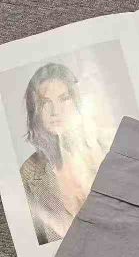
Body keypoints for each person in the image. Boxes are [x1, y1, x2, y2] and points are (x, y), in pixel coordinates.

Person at [20, 62, 110, 245]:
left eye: (64, 99)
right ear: (34, 110)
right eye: (45, 103)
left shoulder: (108, 148)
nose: (55, 111)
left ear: (77, 102)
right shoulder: (29, 174)